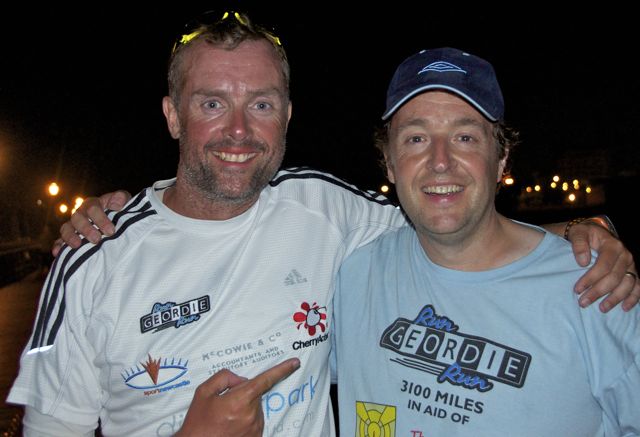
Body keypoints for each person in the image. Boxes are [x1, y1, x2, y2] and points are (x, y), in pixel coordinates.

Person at [11, 11, 637, 437]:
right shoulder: (94, 258)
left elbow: (451, 218)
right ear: (173, 115)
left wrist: (584, 229)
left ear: (287, 114)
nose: (238, 130)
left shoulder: (325, 208)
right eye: (212, 103)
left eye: (261, 103)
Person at [332, 47, 640, 436]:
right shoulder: (354, 272)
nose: (440, 160)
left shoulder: (593, 286)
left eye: (464, 137)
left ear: (501, 158)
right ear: (389, 162)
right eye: (416, 138)